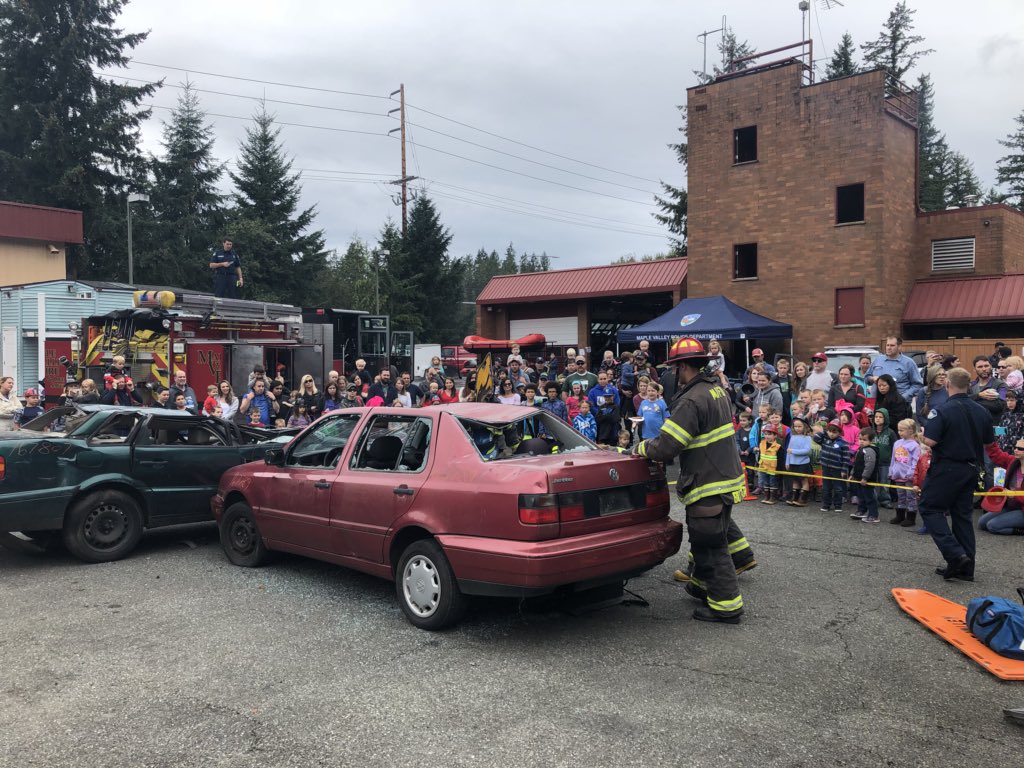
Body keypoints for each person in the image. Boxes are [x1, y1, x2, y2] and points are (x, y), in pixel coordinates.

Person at [635, 337, 751, 624]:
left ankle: (726, 607)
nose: (673, 375)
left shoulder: (690, 400)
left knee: (711, 545)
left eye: (674, 369)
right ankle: (701, 586)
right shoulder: (716, 389)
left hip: (707, 484)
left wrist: (638, 448)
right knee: (709, 538)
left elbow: (667, 446)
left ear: (683, 367)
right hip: (725, 479)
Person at [918, 367, 995, 581]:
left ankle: (955, 555)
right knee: (962, 517)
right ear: (969, 385)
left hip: (947, 468)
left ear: (947, 385)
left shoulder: (942, 410)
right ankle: (966, 567)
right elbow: (989, 442)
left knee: (929, 507)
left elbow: (931, 442)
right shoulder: (982, 411)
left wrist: (924, 435)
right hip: (971, 468)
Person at [979, 439, 1024, 535]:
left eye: (1020, 448)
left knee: (992, 526)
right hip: (1011, 506)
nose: (1016, 450)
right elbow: (997, 455)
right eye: (1015, 447)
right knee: (982, 523)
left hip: (1022, 509)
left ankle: (1020, 531)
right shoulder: (1013, 461)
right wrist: (988, 439)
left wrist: (1014, 495)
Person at [865, 336, 923, 402]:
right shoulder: (878, 360)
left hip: (899, 405)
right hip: (878, 403)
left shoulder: (908, 363)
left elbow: (917, 385)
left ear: (899, 347)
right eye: (887, 345)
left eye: (892, 345)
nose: (889, 348)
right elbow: (866, 378)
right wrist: (872, 379)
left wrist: (904, 397)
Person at [889, 418, 922, 527]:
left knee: (911, 496)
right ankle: (900, 515)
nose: (899, 432)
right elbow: (893, 459)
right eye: (899, 430)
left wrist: (911, 473)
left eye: (902, 430)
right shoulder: (897, 443)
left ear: (911, 431)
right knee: (900, 495)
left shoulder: (915, 445)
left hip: (908, 477)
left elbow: (915, 461)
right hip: (898, 475)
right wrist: (891, 470)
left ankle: (911, 517)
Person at [815, 419, 850, 513]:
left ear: (839, 433)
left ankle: (838, 505)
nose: (831, 434)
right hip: (826, 467)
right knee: (826, 487)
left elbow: (846, 458)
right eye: (830, 431)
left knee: (838, 488)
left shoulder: (843, 443)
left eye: (834, 432)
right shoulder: (825, 439)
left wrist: (844, 470)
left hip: (837, 469)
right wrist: (824, 431)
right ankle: (826, 504)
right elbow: (816, 437)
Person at [850, 428, 880, 523]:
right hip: (858, 478)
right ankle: (861, 511)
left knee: (869, 497)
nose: (861, 441)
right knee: (861, 496)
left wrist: (865, 477)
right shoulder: (861, 449)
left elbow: (869, 465)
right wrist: (852, 474)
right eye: (860, 439)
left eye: (864, 440)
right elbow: (856, 464)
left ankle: (873, 515)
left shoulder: (870, 450)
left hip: (867, 479)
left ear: (871, 440)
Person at [970, 355, 1007, 426]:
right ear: (974, 369)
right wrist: (979, 395)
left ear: (991, 367)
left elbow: (1000, 405)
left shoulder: (1001, 384)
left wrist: (972, 401)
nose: (984, 369)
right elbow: (963, 399)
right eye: (980, 367)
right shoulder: (970, 385)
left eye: (986, 366)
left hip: (995, 428)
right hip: (974, 427)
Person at [785, 416, 813, 506]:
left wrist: (794, 451)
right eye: (795, 426)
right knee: (795, 480)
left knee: (804, 480)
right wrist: (787, 462)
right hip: (793, 462)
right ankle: (794, 497)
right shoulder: (792, 436)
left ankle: (803, 498)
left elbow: (807, 451)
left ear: (805, 426)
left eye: (799, 426)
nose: (797, 428)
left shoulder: (807, 438)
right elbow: (788, 450)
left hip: (803, 463)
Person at [588, 371, 621, 444]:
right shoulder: (592, 391)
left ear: (607, 379)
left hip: (612, 425)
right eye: (601, 379)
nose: (603, 381)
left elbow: (617, 404)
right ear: (598, 380)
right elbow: (591, 406)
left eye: (604, 378)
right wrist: (602, 413)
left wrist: (606, 413)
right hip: (599, 423)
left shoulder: (613, 390)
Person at [757, 425, 782, 505]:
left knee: (773, 483)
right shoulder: (762, 443)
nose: (767, 436)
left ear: (775, 435)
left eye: (769, 434)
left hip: (773, 469)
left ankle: (772, 498)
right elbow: (760, 454)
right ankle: (767, 497)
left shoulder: (778, 447)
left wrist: (779, 469)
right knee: (765, 482)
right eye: (766, 434)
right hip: (763, 467)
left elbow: (780, 459)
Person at [997, 389, 1024, 453]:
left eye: (1012, 400)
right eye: (1007, 400)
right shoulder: (1005, 415)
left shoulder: (1022, 416)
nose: (1009, 403)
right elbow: (999, 433)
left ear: (1019, 400)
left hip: (1017, 452)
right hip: (1003, 451)